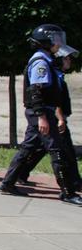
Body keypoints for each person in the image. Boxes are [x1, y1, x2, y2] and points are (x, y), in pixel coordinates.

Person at [0, 24, 82, 205]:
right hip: (42, 112)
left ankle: (7, 183)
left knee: (27, 148)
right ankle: (67, 192)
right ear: (46, 41)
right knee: (57, 151)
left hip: (42, 112)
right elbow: (35, 91)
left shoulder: (47, 59)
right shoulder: (41, 62)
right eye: (56, 39)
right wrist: (42, 116)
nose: (59, 43)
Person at [16, 44, 82, 190]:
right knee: (64, 152)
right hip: (53, 118)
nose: (70, 61)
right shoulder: (52, 74)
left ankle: (18, 175)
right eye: (67, 58)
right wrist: (60, 119)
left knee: (36, 148)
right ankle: (73, 185)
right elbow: (53, 101)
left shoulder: (58, 75)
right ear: (59, 59)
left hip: (52, 118)